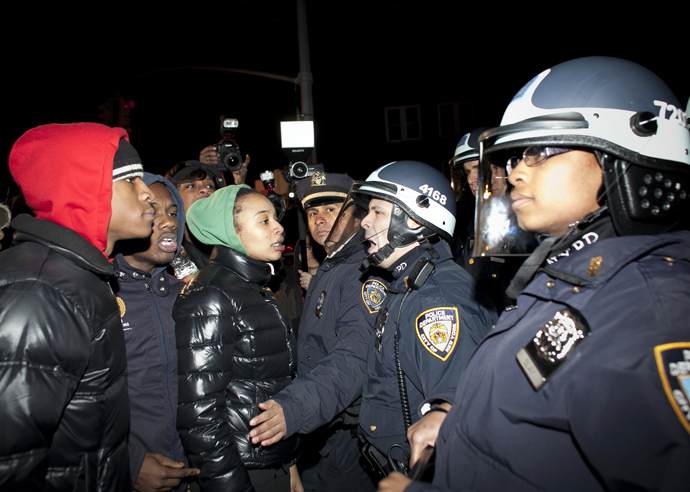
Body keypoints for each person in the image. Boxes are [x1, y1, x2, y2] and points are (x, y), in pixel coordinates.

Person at [382, 56, 690, 492]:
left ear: (623, 157)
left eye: (541, 151)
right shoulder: (569, 278)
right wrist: (456, 419)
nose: (516, 171)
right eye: (516, 156)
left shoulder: (651, 313)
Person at [0, 122, 156, 490]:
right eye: (131, 180)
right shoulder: (40, 293)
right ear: (85, 187)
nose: (148, 192)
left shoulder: (77, 277)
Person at [346, 161, 496, 476]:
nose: (364, 222)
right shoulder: (409, 284)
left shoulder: (436, 301)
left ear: (413, 220)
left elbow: (455, 417)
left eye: (377, 212)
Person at [249, 172, 388, 492]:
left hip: (348, 437)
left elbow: (353, 357)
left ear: (357, 215)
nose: (320, 219)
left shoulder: (362, 272)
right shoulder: (332, 267)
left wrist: (296, 407)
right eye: (312, 212)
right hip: (324, 432)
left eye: (331, 209)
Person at [173, 185, 301, 492]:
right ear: (232, 232)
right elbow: (201, 415)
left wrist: (289, 463)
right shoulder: (211, 296)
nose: (279, 227)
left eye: (275, 217)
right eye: (263, 220)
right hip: (243, 470)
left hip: (271, 461)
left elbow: (269, 385)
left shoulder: (251, 288)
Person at [113, 173, 200, 492]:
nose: (168, 222)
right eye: (153, 210)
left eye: (173, 212)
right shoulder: (97, 296)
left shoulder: (188, 296)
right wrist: (128, 464)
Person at [451, 128, 525, 312]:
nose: (473, 179)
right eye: (468, 172)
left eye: (482, 168)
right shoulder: (465, 226)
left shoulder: (529, 224)